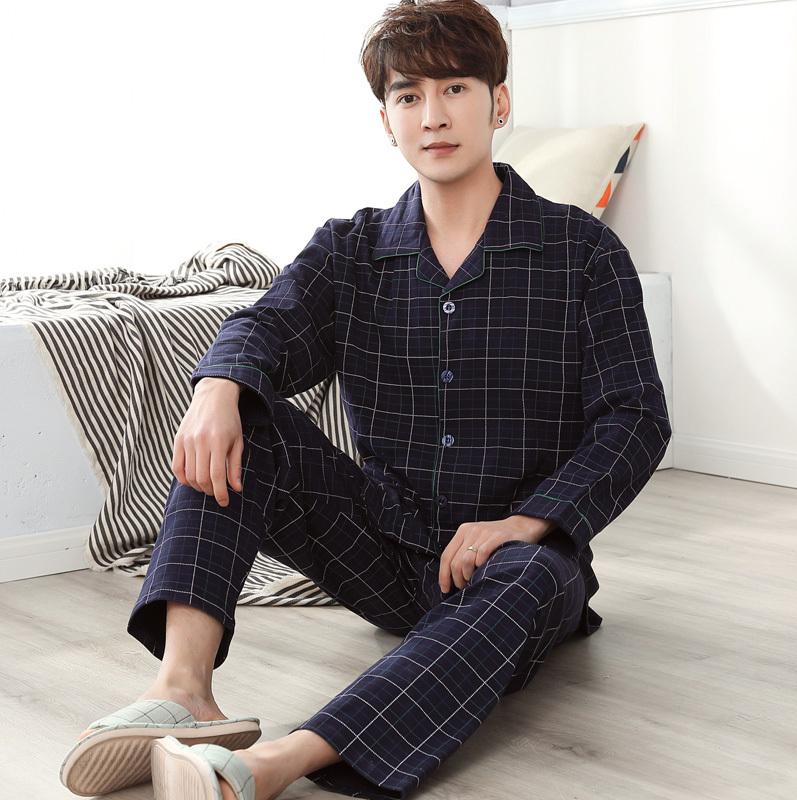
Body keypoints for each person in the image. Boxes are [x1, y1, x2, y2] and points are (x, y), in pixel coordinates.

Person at [60, 1, 672, 799]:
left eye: (455, 89)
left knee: (530, 574)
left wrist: (527, 522)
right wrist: (217, 385)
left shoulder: (583, 253)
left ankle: (272, 764)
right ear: (387, 120)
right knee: (243, 415)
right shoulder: (350, 248)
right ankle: (183, 694)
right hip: (383, 551)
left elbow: (635, 417)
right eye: (409, 95)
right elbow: (267, 325)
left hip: (518, 566)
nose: (433, 115)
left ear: (499, 102)